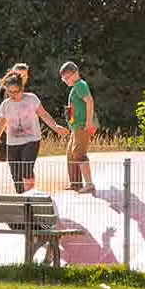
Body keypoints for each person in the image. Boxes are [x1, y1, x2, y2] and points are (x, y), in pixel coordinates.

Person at [0, 72, 68, 193]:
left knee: (26, 168)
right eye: (10, 92)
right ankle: (22, 197)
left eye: (16, 91)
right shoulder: (6, 105)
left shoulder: (31, 99)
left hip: (31, 140)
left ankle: (30, 195)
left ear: (22, 88)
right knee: (16, 175)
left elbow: (44, 114)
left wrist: (56, 127)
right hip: (13, 143)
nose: (13, 95)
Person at [60, 61, 97, 194]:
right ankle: (75, 183)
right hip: (75, 127)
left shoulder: (80, 85)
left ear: (75, 73)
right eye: (64, 79)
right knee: (71, 153)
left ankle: (89, 184)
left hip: (81, 126)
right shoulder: (75, 87)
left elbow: (89, 102)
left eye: (67, 77)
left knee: (79, 153)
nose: (65, 81)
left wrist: (88, 122)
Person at [0, 63, 30, 161]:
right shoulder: (10, 90)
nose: (23, 77)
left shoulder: (23, 90)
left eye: (25, 75)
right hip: (9, 125)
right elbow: (7, 111)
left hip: (17, 128)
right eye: (20, 75)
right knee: (4, 155)